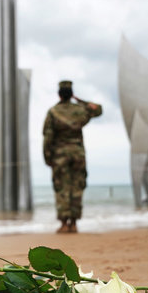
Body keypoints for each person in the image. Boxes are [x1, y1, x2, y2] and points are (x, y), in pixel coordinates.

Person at [43, 80, 103, 233]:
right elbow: (98, 110)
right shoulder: (80, 110)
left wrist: (47, 156)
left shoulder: (53, 112)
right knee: (77, 186)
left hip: (60, 155)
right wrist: (80, 100)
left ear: (59, 94)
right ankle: (74, 223)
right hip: (78, 153)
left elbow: (47, 136)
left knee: (62, 187)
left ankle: (63, 224)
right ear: (71, 94)